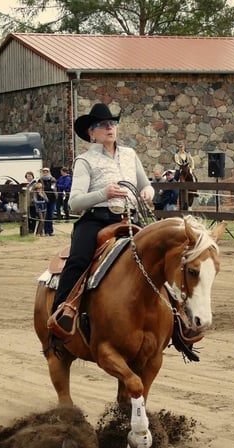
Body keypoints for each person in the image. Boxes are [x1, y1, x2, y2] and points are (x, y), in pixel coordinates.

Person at [48, 102, 154, 338]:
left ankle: (175, 317)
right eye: (103, 124)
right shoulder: (85, 161)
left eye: (113, 123)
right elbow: (74, 203)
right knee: (78, 260)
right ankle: (61, 313)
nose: (110, 128)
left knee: (160, 254)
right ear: (92, 133)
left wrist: (148, 193)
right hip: (96, 221)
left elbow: (145, 183)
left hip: (130, 218)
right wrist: (103, 194)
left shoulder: (130, 154)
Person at [40, 167, 57, 236]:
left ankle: (51, 231)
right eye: (44, 172)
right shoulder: (40, 180)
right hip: (44, 200)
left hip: (52, 199)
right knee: (45, 216)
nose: (45, 173)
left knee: (50, 215)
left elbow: (54, 188)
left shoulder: (53, 179)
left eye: (46, 171)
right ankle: (46, 231)